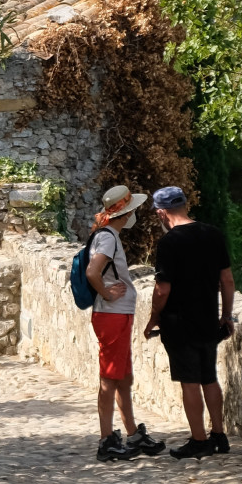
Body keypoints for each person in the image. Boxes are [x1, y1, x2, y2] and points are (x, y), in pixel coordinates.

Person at [145, 185, 236, 459]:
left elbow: (163, 289)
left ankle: (199, 440)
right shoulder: (213, 234)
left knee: (189, 381)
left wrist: (153, 318)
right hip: (208, 318)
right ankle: (219, 435)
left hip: (179, 321)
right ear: (185, 205)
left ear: (162, 213)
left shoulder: (169, 242)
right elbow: (227, 280)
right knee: (209, 377)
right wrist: (226, 315)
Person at [85, 184, 165, 462]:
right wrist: (107, 293)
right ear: (126, 212)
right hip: (112, 314)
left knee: (122, 377)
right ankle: (107, 439)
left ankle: (131, 433)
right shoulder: (108, 238)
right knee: (109, 378)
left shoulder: (106, 235)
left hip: (116, 314)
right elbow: (93, 271)